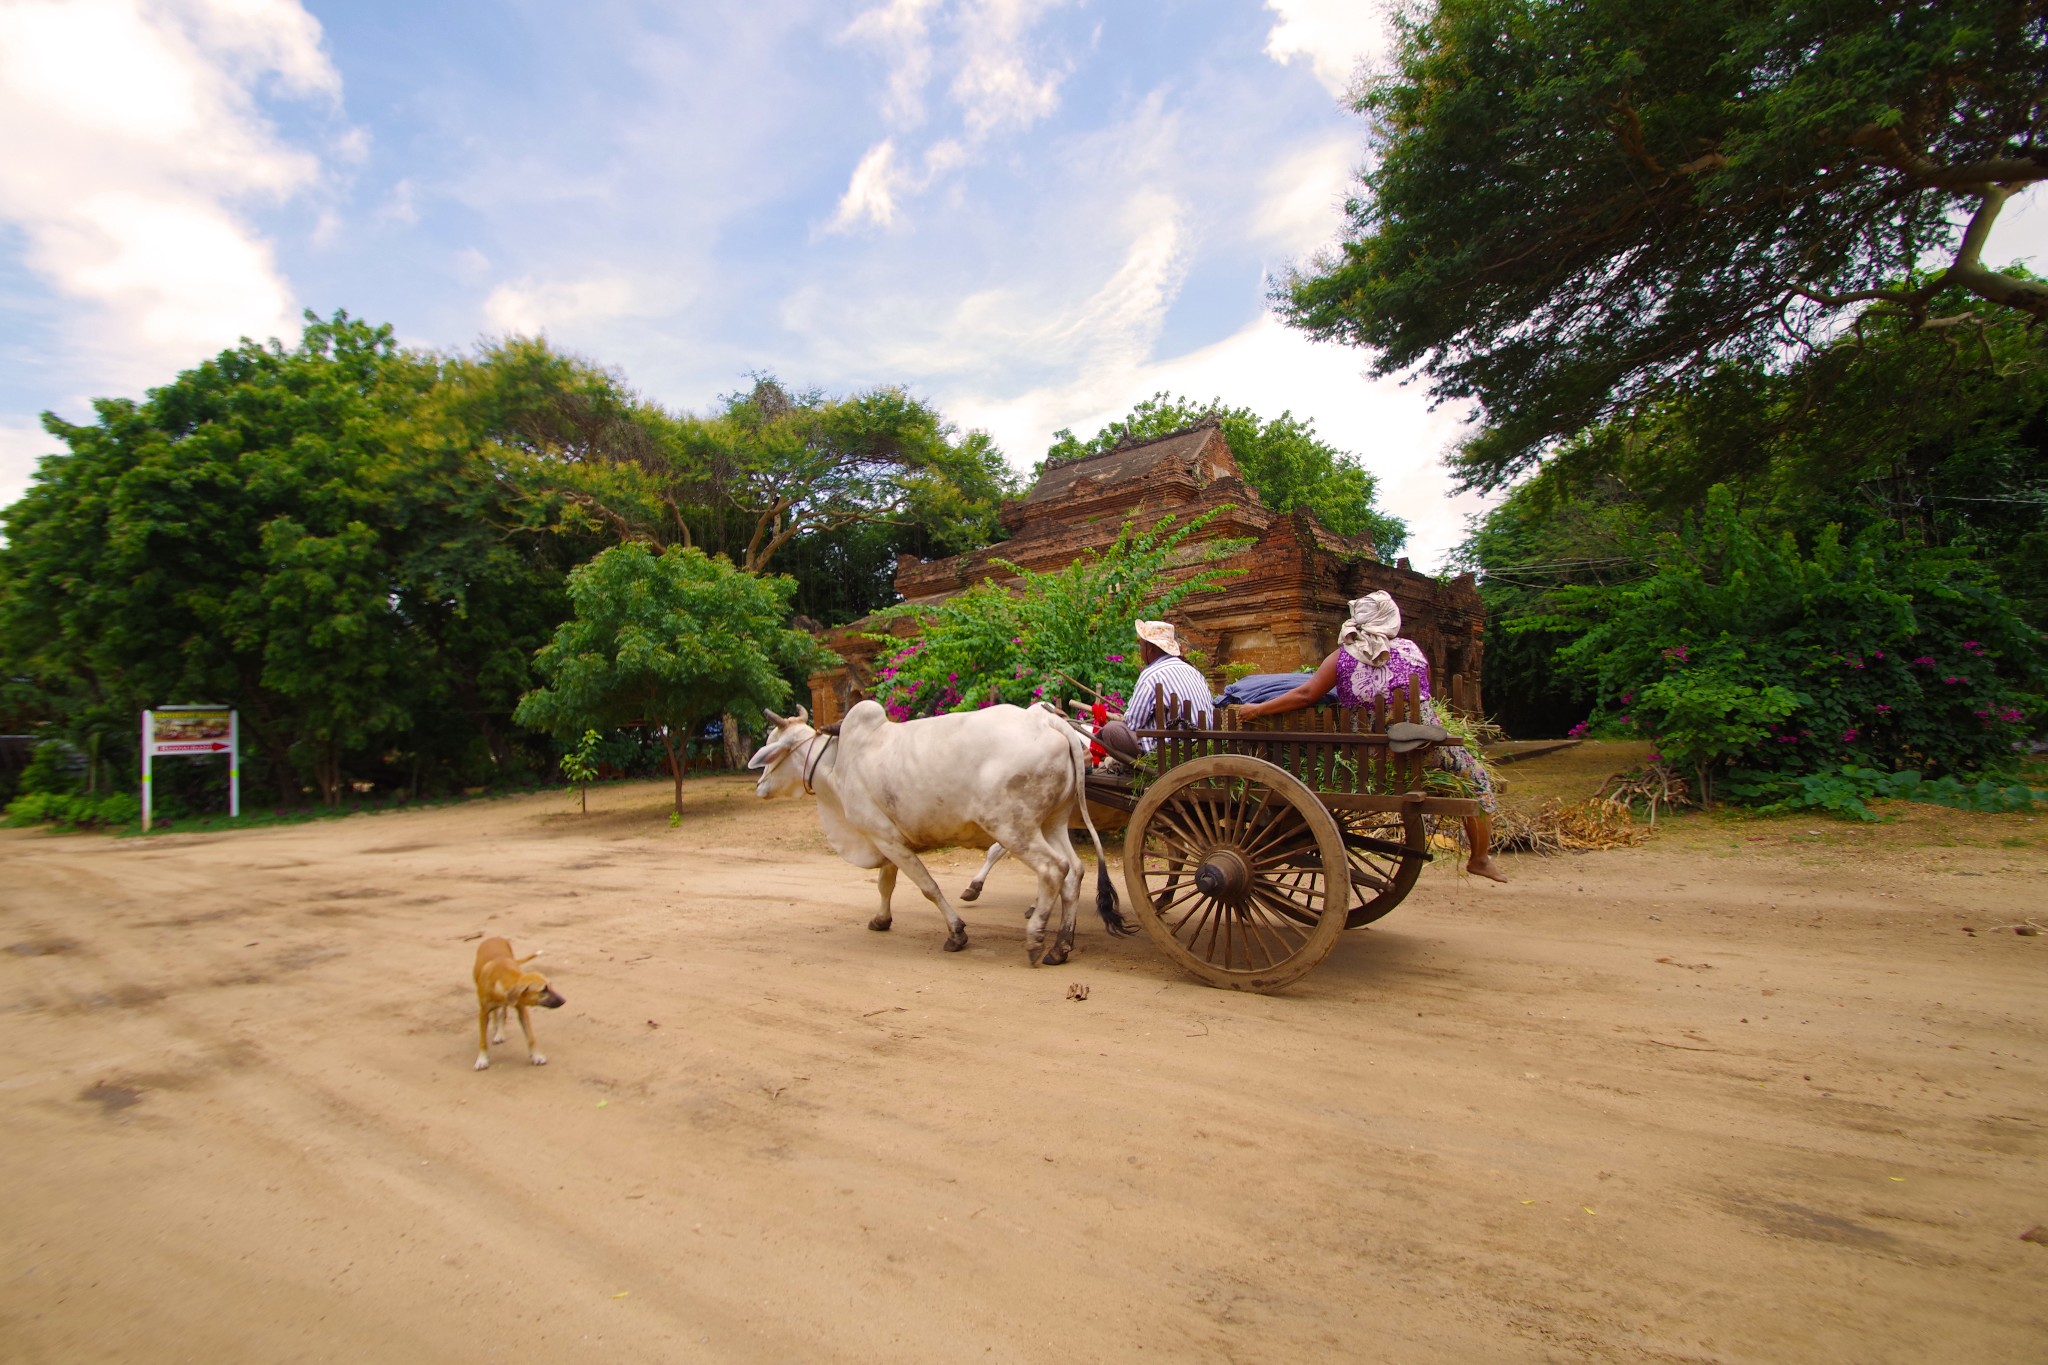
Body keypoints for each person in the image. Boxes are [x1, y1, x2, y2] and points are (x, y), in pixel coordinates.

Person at [1236, 591, 1507, 883]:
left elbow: (1307, 694)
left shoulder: (1340, 658)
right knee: (1477, 779)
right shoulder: (1411, 651)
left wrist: (1257, 709)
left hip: (1366, 758)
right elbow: (1424, 692)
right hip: (1426, 753)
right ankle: (1479, 857)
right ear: (1391, 619)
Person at [1119, 620, 1213, 752]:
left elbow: (1133, 723)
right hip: (1202, 745)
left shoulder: (1151, 675)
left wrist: (1124, 718)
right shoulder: (1194, 672)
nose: (1140, 652)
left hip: (1171, 748)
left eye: (1141, 646)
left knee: (1111, 731)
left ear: (1149, 649)